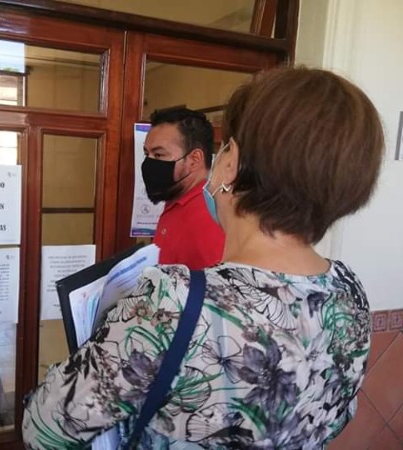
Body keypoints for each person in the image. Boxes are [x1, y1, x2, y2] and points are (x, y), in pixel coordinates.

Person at [22, 66, 383, 449]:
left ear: (231, 162)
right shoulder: (349, 292)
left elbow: (44, 427)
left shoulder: (173, 301)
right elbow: (338, 414)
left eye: (224, 146)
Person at [141, 108, 225, 269]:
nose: (149, 163)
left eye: (159, 155)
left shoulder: (208, 217)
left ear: (194, 159)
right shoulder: (176, 199)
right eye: (147, 154)